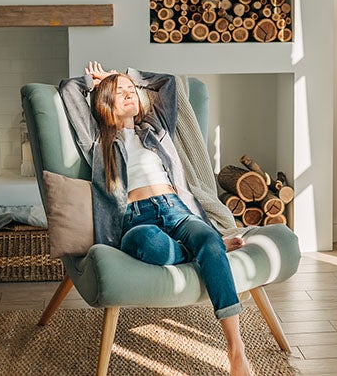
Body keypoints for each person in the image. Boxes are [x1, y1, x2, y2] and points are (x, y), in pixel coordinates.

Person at [61, 61, 251, 376]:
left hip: (176, 208)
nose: (128, 93)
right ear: (105, 102)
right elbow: (69, 91)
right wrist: (99, 81)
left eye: (130, 89)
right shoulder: (97, 141)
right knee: (144, 243)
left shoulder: (157, 128)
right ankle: (209, 249)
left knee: (204, 236)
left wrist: (123, 75)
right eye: (118, 91)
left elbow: (168, 82)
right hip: (136, 218)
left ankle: (236, 351)